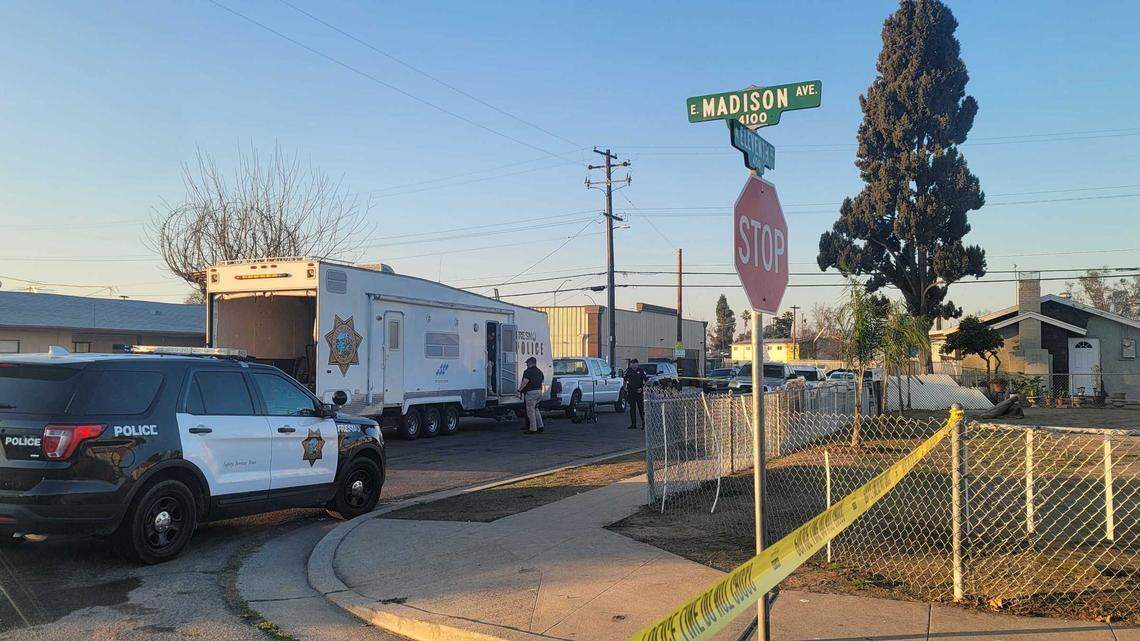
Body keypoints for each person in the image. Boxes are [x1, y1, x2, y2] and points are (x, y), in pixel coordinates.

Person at [518, 356, 545, 434]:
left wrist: (519, 390)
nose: (526, 364)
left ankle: (533, 429)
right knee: (536, 409)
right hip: (539, 392)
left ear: (530, 363)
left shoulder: (527, 371)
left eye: (527, 363)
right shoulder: (540, 371)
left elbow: (525, 381)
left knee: (530, 411)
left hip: (531, 393)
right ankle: (541, 426)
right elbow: (542, 380)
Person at [623, 358, 648, 429]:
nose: (633, 366)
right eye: (632, 364)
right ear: (630, 364)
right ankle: (633, 424)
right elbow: (624, 379)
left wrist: (642, 388)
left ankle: (644, 424)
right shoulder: (628, 371)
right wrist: (625, 387)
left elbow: (646, 381)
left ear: (637, 364)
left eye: (635, 364)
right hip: (631, 392)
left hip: (639, 392)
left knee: (641, 409)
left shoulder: (641, 371)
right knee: (632, 409)